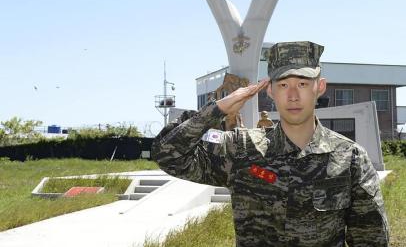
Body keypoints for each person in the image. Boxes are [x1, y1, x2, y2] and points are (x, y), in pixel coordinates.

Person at [152, 41, 389, 246]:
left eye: (303, 84)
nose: (293, 95)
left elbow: (370, 238)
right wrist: (218, 109)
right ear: (270, 91)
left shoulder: (350, 157)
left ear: (320, 87)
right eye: (284, 85)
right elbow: (168, 155)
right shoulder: (241, 149)